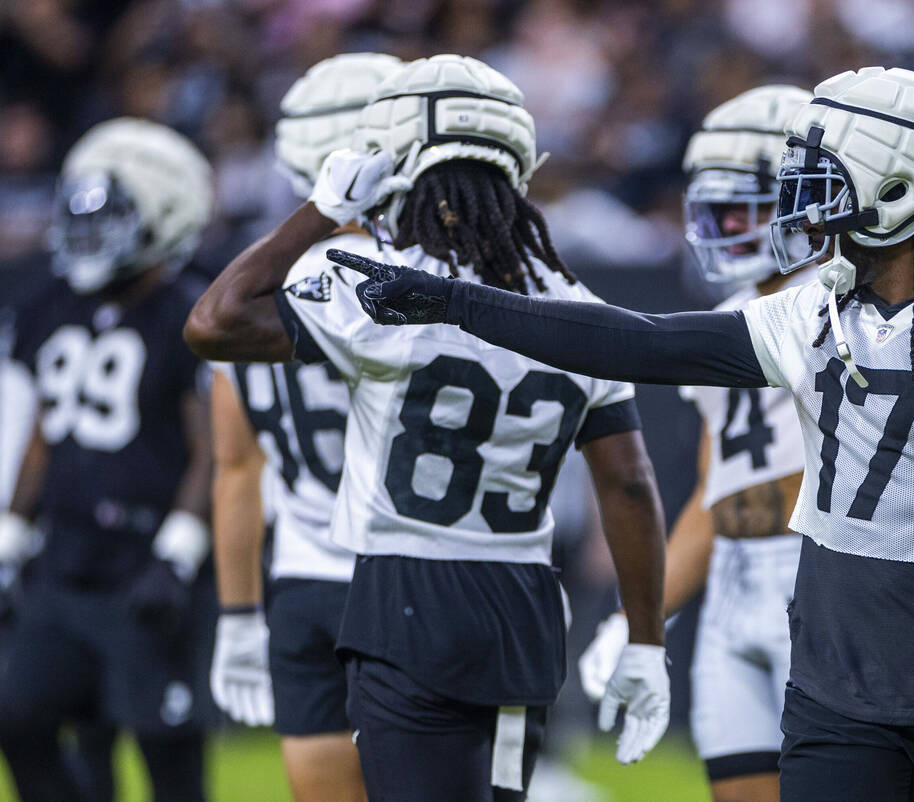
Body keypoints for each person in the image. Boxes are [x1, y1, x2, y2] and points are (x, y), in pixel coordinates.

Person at [326, 66, 914, 801]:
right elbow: (637, 340)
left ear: (897, 185)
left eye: (826, 175)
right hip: (832, 681)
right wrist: (456, 302)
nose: (803, 198)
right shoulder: (811, 313)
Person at [183, 54, 670, 802]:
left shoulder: (378, 287)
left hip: (406, 595)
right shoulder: (581, 304)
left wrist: (320, 210)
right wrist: (646, 640)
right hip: (524, 600)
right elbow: (630, 483)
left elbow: (212, 323)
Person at [579, 84, 811, 802]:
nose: (729, 225)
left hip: (821, 581)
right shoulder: (728, 319)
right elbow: (714, 500)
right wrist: (636, 620)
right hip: (736, 585)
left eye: (749, 206)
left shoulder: (844, 313)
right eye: (720, 208)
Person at [0, 117, 216, 802]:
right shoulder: (49, 308)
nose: (87, 241)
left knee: (167, 753)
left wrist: (178, 554)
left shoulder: (186, 311)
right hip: (64, 559)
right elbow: (43, 435)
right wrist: (8, 535)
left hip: (143, 563)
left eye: (107, 223)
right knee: (20, 720)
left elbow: (212, 450)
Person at [208, 51, 400, 802]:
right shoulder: (408, 276)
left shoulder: (247, 289)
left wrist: (237, 613)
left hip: (301, 580)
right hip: (405, 572)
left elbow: (236, 470)